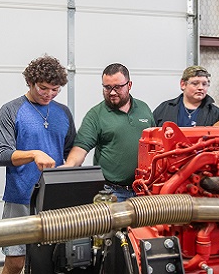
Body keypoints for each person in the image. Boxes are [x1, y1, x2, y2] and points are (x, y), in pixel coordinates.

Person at [0, 55, 76, 274]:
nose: (49, 94)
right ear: (30, 83)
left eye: (55, 89)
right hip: (20, 197)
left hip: (54, 200)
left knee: (53, 261)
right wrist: (33, 154)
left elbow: (70, 152)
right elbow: (1, 154)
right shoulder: (11, 110)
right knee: (16, 261)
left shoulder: (64, 113)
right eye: (43, 88)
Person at [62, 63, 155, 202]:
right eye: (107, 87)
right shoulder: (96, 115)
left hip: (144, 190)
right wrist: (68, 166)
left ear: (129, 85)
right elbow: (81, 147)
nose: (112, 92)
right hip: (112, 193)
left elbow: (155, 144)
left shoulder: (143, 108)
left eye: (117, 87)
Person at [153, 65, 219, 127]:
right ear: (183, 84)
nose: (201, 88)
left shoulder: (216, 114)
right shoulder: (165, 109)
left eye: (204, 84)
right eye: (195, 83)